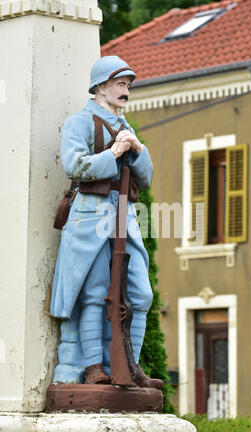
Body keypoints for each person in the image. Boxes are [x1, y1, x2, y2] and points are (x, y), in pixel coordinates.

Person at [50, 56, 162, 389]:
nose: (125, 90)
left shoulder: (126, 128)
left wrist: (137, 148)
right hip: (91, 212)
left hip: (125, 213)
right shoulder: (79, 122)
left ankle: (130, 365)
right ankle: (93, 367)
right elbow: (74, 165)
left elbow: (148, 177)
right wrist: (114, 153)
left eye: (128, 84)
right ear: (100, 86)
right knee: (95, 290)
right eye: (119, 83)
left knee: (141, 293)